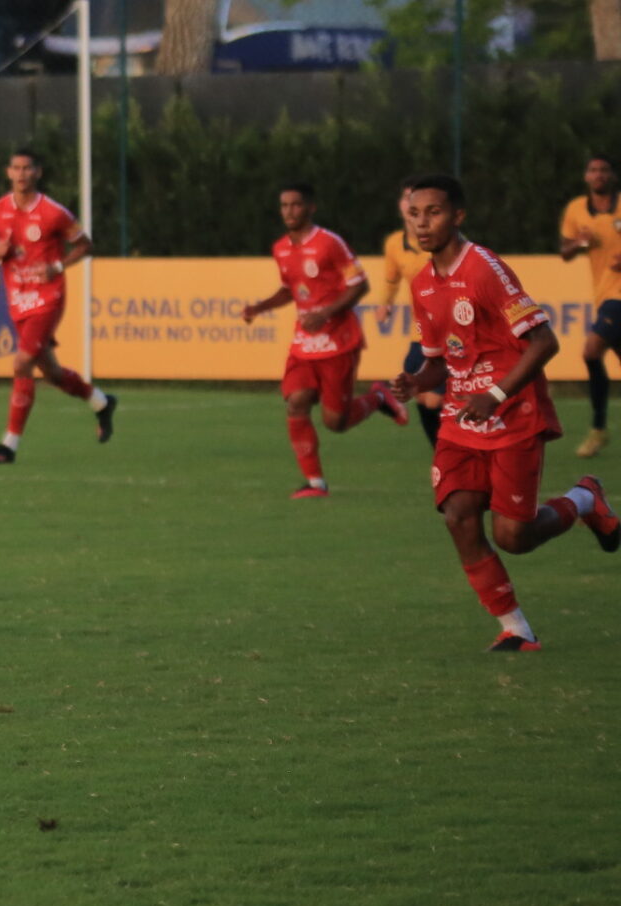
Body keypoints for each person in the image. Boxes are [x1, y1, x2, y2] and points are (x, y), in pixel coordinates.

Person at [395, 173, 616, 650]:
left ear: (458, 216)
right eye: (414, 213)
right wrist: (417, 381)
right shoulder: (422, 285)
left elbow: (544, 342)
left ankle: (583, 499)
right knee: (458, 515)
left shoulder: (484, 270)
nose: (422, 222)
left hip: (512, 414)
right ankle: (516, 629)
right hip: (461, 418)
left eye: (433, 212)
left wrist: (494, 395)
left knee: (515, 536)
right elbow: (441, 360)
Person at [239, 182, 407, 498]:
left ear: (310, 208)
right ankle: (315, 482)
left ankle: (379, 398)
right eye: (284, 205)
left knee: (336, 422)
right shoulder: (281, 248)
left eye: (296, 205)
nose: (289, 211)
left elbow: (359, 286)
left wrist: (325, 313)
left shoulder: (330, 243)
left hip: (338, 341)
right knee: (296, 401)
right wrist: (259, 307)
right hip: (305, 343)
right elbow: (290, 289)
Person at [0, 149, 116, 462]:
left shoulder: (54, 213)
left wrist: (57, 266)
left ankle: (8, 445)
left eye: (27, 168)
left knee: (21, 363)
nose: (21, 173)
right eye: (16, 168)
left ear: (37, 173)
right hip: (18, 299)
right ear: (8, 172)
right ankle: (101, 403)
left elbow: (84, 244)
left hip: (47, 297)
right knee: (51, 373)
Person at [557, 152, 621, 458]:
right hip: (604, 294)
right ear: (586, 176)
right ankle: (599, 430)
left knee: (591, 349)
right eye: (593, 170)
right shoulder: (576, 211)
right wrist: (580, 243)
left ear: (612, 176)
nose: (599, 175)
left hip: (617, 298)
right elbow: (565, 252)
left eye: (604, 170)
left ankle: (598, 429)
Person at [379, 222, 444, 446]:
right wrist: (385, 303)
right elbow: (391, 279)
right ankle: (441, 455)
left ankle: (452, 452)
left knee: (435, 401)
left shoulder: (444, 240)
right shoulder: (396, 244)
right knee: (423, 398)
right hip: (419, 335)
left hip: (447, 335)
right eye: (409, 204)